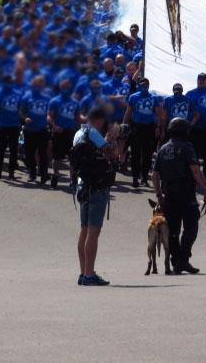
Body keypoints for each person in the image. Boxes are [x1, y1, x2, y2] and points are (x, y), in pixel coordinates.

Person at [151, 116, 206, 275]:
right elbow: (195, 171)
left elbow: (155, 175)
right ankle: (183, 259)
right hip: (186, 195)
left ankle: (177, 260)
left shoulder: (162, 149)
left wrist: (159, 196)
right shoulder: (187, 147)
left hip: (169, 196)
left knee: (172, 231)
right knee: (191, 228)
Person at [70, 106, 117, 286]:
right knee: (93, 231)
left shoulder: (78, 134)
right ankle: (90, 274)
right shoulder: (93, 133)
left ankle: (83, 272)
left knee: (84, 230)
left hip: (83, 185)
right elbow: (110, 154)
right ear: (97, 120)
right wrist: (111, 140)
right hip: (97, 185)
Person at [125, 78, 162, 188]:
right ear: (139, 85)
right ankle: (135, 177)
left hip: (149, 128)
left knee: (147, 154)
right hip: (136, 127)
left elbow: (158, 113)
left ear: (149, 85)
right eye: (142, 84)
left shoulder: (153, 97)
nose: (144, 86)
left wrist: (158, 127)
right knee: (135, 154)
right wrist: (124, 125)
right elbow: (128, 112)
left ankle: (144, 178)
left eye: (146, 84)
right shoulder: (133, 97)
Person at [186, 73, 206, 184]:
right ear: (197, 80)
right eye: (199, 79)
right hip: (194, 129)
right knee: (193, 156)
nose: (201, 81)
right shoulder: (190, 94)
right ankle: (194, 178)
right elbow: (187, 109)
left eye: (203, 80)